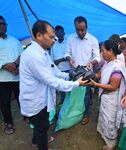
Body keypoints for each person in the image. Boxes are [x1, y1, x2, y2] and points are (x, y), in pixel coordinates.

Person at [19, 20, 88, 150]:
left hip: (41, 98)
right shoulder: (34, 55)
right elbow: (52, 81)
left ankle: (37, 141)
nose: (54, 40)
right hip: (35, 100)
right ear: (39, 35)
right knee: (41, 126)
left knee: (41, 125)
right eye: (51, 37)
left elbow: (54, 70)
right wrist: (76, 83)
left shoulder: (43, 52)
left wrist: (69, 75)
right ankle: (42, 145)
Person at [89, 40, 126, 150]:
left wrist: (96, 84)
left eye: (103, 51)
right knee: (104, 118)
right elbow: (98, 74)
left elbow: (113, 87)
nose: (101, 54)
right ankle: (103, 134)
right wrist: (88, 74)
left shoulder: (117, 67)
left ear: (110, 51)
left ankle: (111, 143)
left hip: (112, 98)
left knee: (109, 120)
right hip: (105, 97)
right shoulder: (107, 63)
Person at [64, 16, 100, 125]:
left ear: (86, 27)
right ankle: (74, 113)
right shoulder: (70, 38)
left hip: (86, 73)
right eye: (77, 29)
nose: (80, 32)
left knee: (86, 95)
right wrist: (69, 59)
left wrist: (91, 62)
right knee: (73, 93)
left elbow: (98, 57)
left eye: (82, 30)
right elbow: (66, 53)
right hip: (74, 72)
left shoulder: (93, 40)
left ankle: (86, 114)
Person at [0, 15, 23, 135]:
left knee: (22, 98)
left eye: (4, 24)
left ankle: (25, 116)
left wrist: (15, 65)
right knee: (4, 102)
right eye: (0, 24)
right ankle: (8, 122)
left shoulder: (15, 40)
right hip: (3, 78)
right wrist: (7, 67)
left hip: (17, 76)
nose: (2, 26)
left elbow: (21, 54)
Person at [51, 25, 70, 104]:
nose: (59, 33)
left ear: (64, 33)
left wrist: (59, 60)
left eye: (61, 32)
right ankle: (62, 105)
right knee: (62, 90)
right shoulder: (53, 45)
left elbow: (69, 57)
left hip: (69, 70)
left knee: (69, 89)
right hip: (58, 71)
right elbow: (53, 61)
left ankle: (69, 106)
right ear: (55, 34)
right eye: (57, 32)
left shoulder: (68, 43)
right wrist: (63, 59)